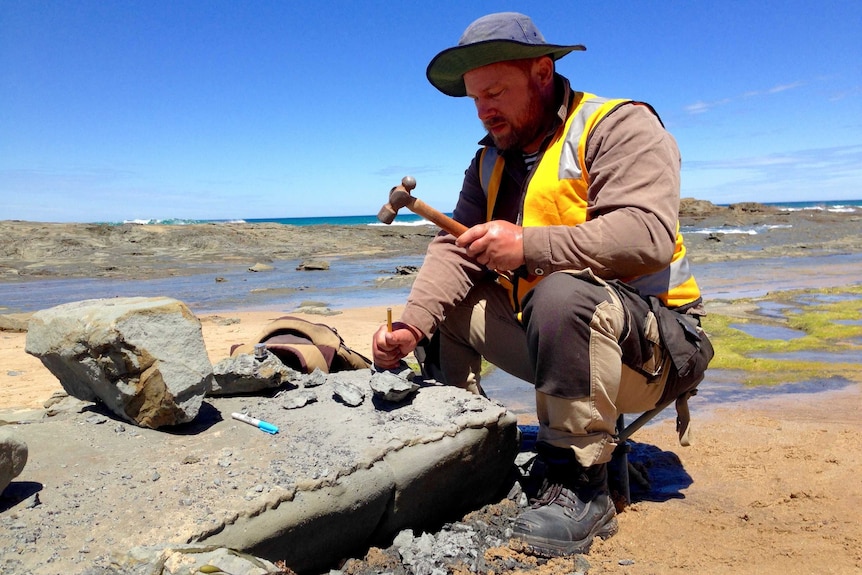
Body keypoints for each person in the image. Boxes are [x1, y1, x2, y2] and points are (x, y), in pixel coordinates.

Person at [371, 12, 713, 557]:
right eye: (475, 98)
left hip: (658, 350)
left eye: (496, 92)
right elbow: (453, 253)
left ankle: (581, 488)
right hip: (566, 339)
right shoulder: (488, 161)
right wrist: (411, 327)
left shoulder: (618, 126)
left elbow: (647, 234)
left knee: (560, 294)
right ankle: (463, 446)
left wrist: (528, 245)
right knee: (443, 304)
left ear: (542, 72)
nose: (484, 110)